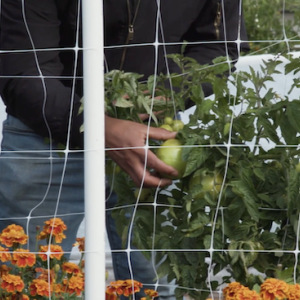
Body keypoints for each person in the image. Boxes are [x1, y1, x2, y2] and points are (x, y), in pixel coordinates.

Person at [0, 0, 248, 299]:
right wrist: (97, 125)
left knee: (156, 285)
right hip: (45, 129)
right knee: (26, 280)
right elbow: (24, 69)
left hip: (151, 133)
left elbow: (219, 48)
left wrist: (156, 99)